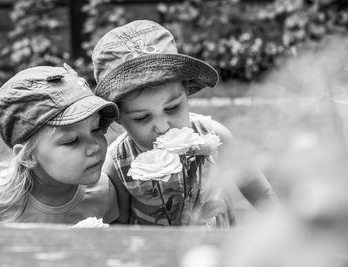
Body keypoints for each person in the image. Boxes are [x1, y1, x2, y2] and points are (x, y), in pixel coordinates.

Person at [92, 20, 278, 226]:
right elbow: (122, 229)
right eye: (142, 117)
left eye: (172, 108)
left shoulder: (214, 137)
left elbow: (260, 191)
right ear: (119, 118)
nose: (162, 127)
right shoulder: (117, 166)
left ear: (187, 93)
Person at [0, 64, 120, 225]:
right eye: (72, 140)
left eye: (97, 128)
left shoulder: (104, 193)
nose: (94, 147)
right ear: (28, 156)